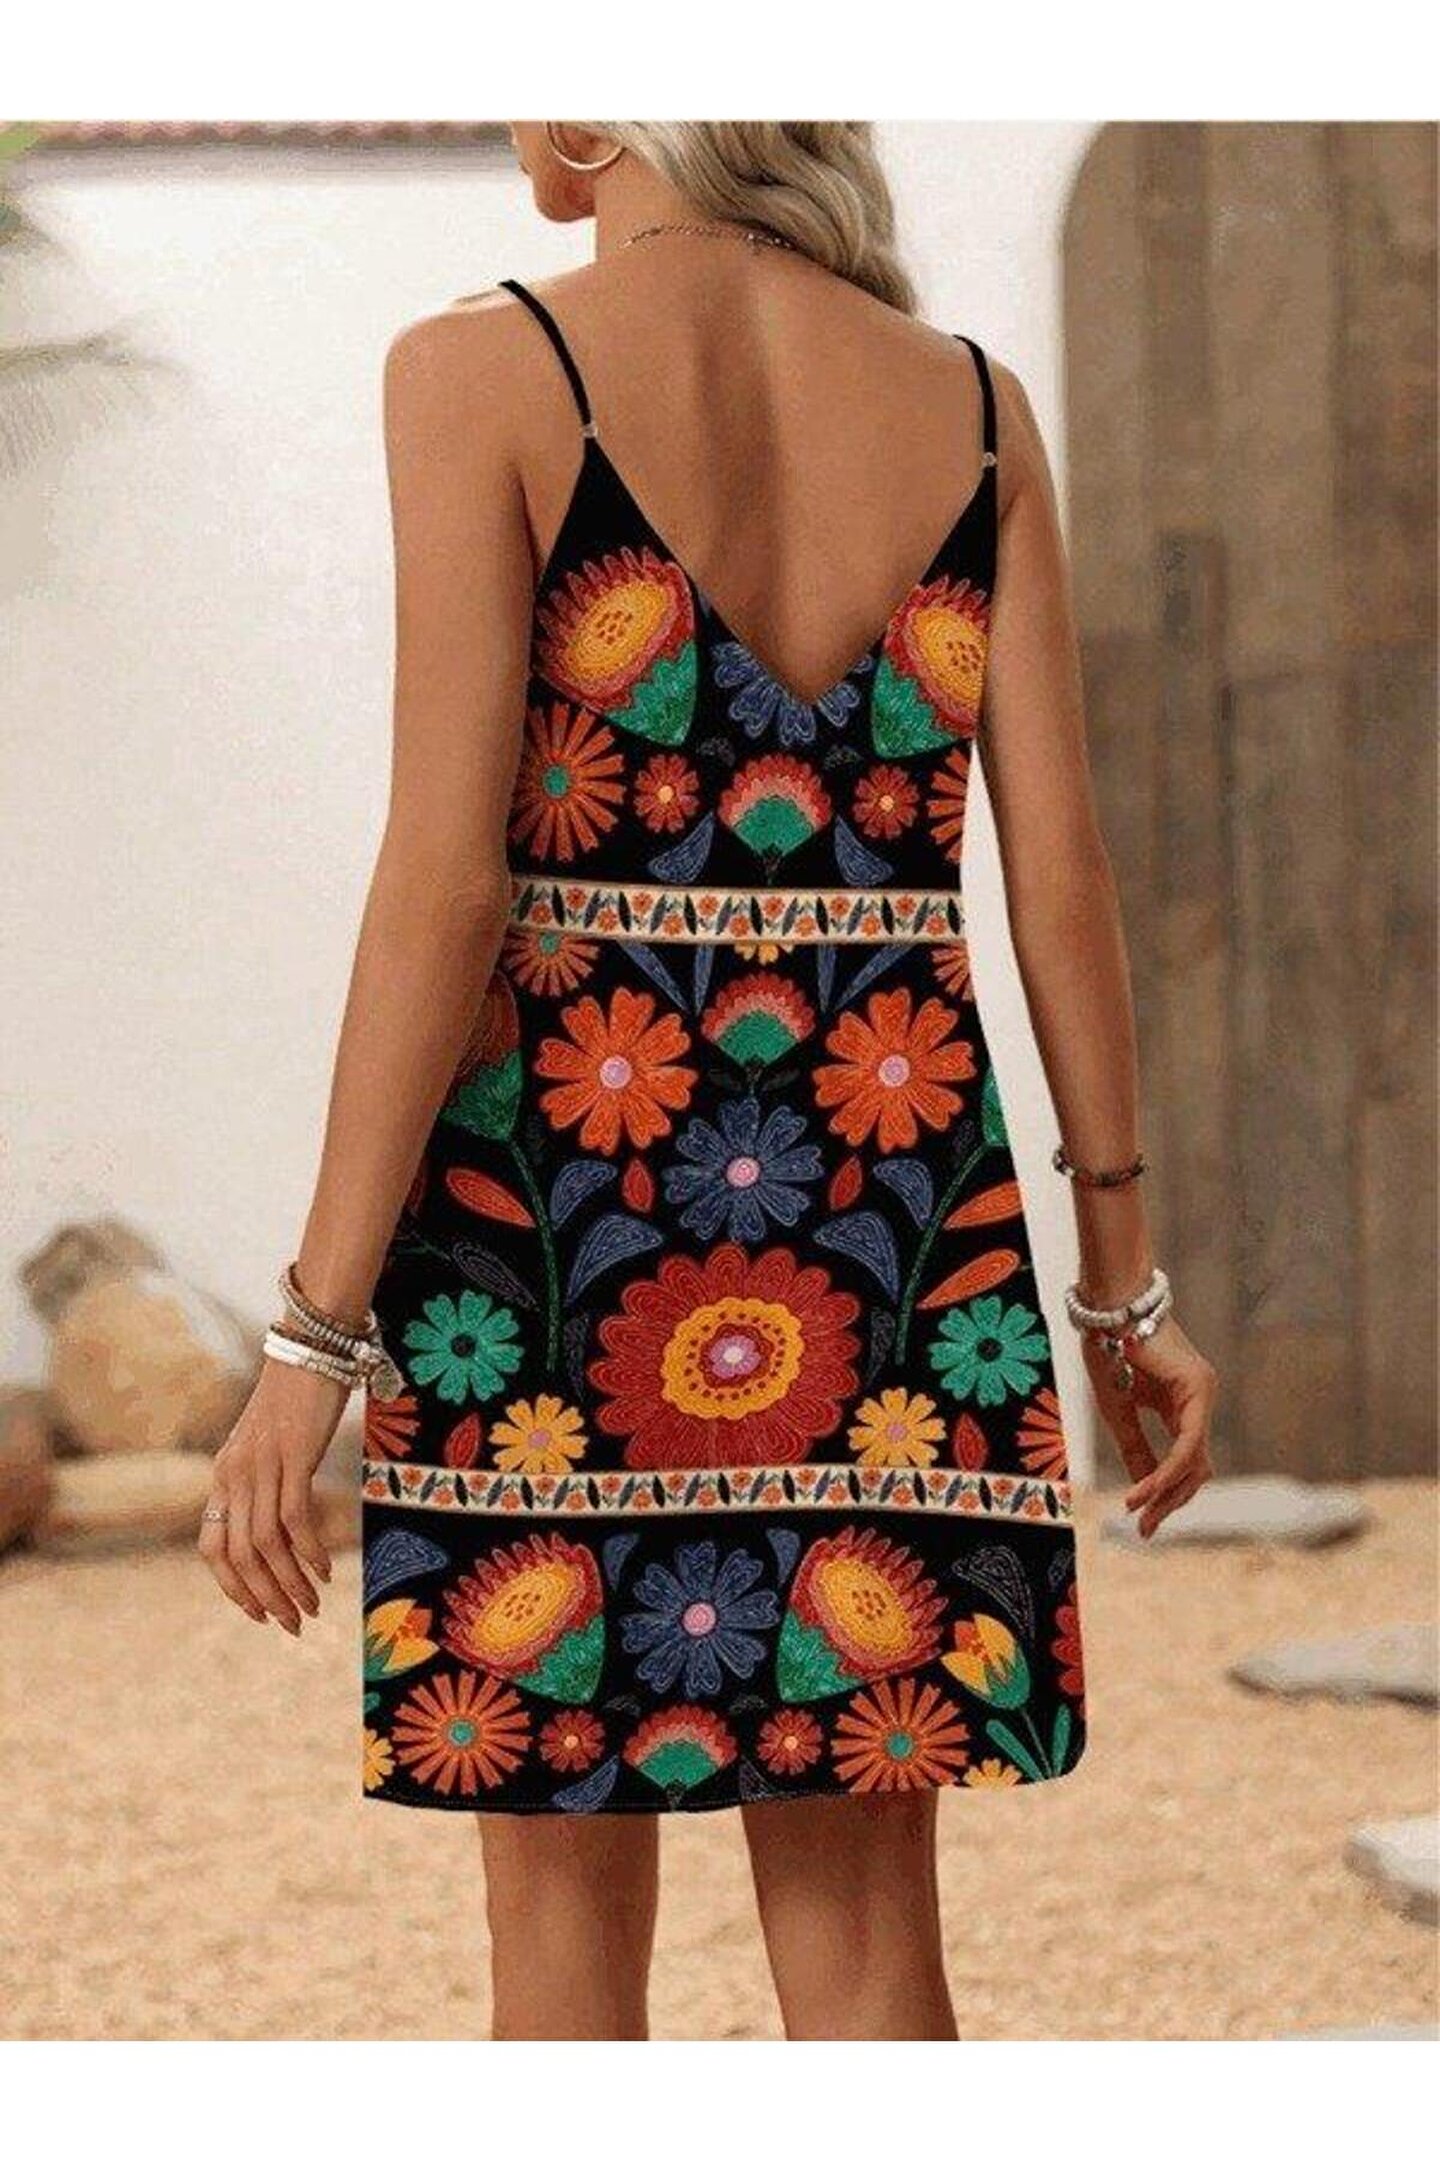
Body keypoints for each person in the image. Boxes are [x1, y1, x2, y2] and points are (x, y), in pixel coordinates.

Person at [199, 121, 1217, 2042]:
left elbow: (448, 885)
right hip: (891, 1228)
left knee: (559, 1947)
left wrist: (312, 1333)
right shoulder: (975, 410)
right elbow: (1062, 879)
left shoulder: (482, 370)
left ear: (603, 111)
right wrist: (1120, 1288)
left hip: (550, 1231)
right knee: (873, 1944)